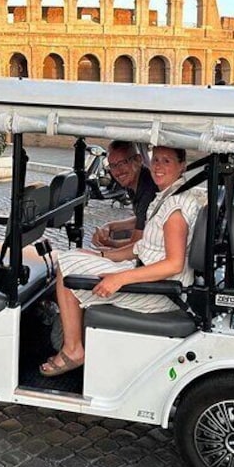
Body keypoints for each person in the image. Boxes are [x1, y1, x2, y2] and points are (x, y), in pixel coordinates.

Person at [40, 146, 202, 377]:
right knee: (74, 257)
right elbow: (140, 248)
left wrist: (120, 278)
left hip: (160, 293)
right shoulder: (168, 197)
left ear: (182, 165)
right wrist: (101, 256)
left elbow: (173, 264)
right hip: (151, 279)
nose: (157, 166)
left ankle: (73, 349)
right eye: (155, 160)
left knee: (65, 268)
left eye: (166, 161)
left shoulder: (175, 209)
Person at [91, 141, 158, 249]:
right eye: (112, 165)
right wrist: (110, 226)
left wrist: (109, 244)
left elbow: (136, 245)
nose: (117, 171)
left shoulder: (148, 189)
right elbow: (142, 218)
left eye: (122, 163)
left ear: (138, 160)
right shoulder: (134, 181)